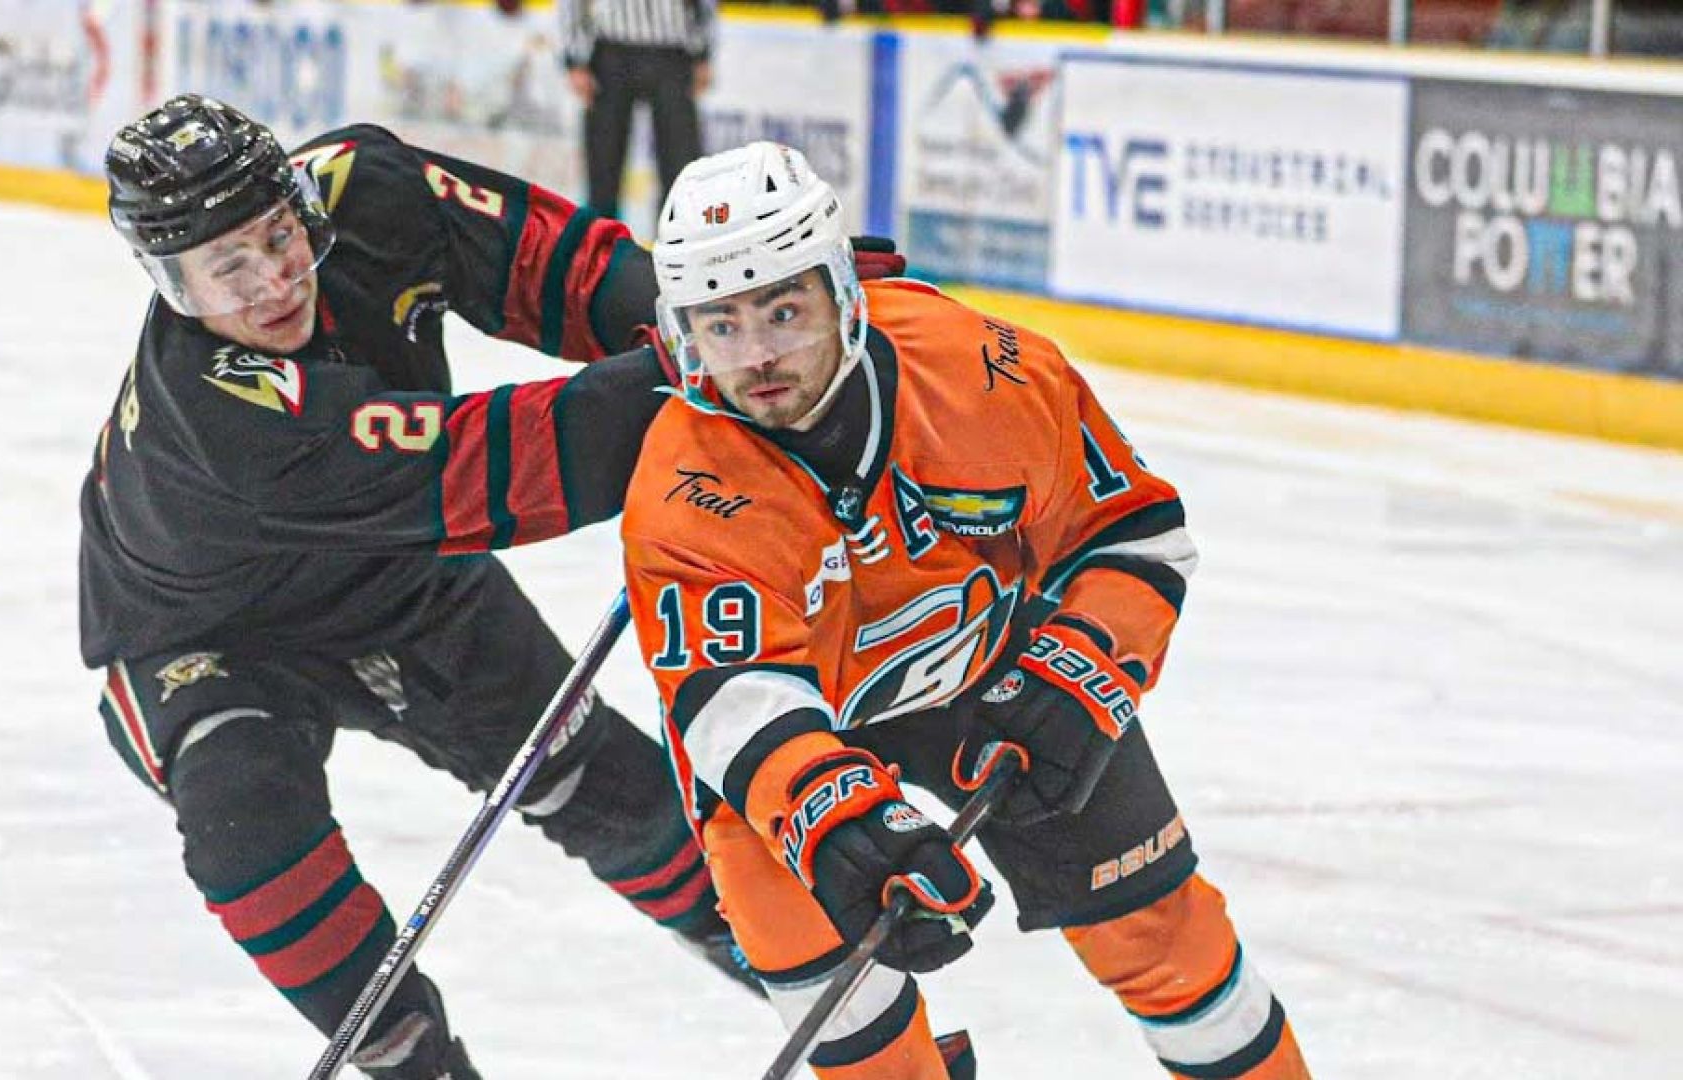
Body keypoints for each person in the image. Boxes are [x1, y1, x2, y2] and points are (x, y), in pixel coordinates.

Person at [81, 93, 744, 1080]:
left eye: (278, 236)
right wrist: (719, 366)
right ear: (168, 281)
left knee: (613, 791)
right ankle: (411, 1061)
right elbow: (486, 466)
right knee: (243, 820)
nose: (273, 282)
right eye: (228, 268)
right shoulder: (219, 413)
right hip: (204, 630)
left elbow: (557, 269)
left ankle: (809, 971)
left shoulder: (371, 188)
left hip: (406, 575)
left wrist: (719, 320)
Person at [622, 142, 1313, 1080]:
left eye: (784, 310)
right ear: (683, 332)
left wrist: (1082, 674)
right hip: (794, 745)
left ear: (843, 293)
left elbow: (1132, 536)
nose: (760, 358)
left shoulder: (989, 374)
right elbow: (735, 705)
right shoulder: (684, 488)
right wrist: (843, 827)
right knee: (852, 1026)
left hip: (994, 669)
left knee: (1163, 940)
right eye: (723, 324)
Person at [558, 0, 714, 221]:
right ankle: (602, 247)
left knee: (681, 166)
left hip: (673, 50)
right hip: (612, 48)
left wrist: (703, 52)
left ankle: (675, 245)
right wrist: (575, 58)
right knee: (604, 165)